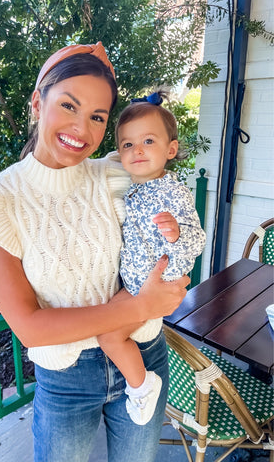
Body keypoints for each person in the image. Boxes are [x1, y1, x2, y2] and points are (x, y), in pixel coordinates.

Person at [0, 42, 190, 462]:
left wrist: (175, 260)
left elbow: (173, 208)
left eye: (98, 116)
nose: (82, 128)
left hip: (144, 351)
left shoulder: (116, 173)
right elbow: (30, 327)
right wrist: (141, 304)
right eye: (68, 105)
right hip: (67, 379)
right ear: (37, 101)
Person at [97, 90, 206, 426]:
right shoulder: (132, 187)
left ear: (170, 150)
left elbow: (197, 240)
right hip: (136, 282)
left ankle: (142, 385)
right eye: (127, 144)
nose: (137, 150)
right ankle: (141, 382)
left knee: (109, 336)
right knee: (105, 326)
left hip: (155, 283)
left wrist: (175, 233)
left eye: (148, 141)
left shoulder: (173, 191)